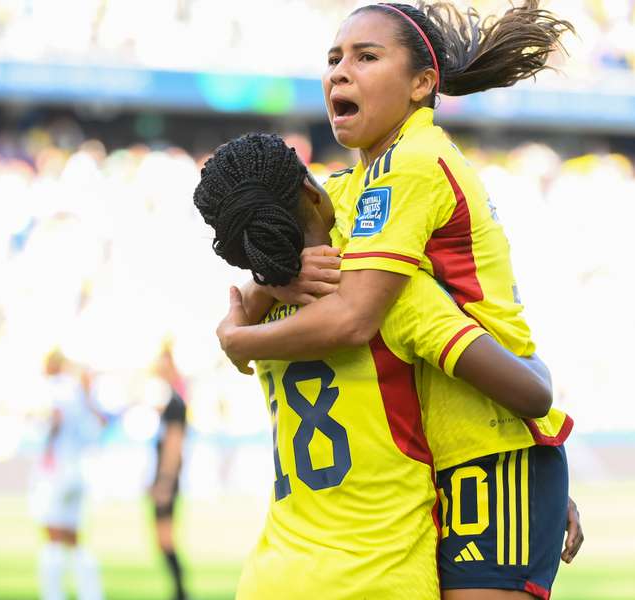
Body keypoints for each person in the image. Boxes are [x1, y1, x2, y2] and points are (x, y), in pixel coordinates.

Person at [215, 4, 579, 597]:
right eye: (333, 59)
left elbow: (356, 317)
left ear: (422, 84)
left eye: (365, 56)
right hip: (453, 451)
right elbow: (293, 227)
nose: (339, 71)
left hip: (495, 441)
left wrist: (238, 339)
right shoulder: (358, 182)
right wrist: (270, 280)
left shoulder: (411, 163)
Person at [34, 349, 106, 600]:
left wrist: (46, 440)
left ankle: (53, 595)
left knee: (52, 536)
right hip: (79, 469)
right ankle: (92, 593)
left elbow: (54, 421)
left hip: (57, 470)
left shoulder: (56, 390)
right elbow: (96, 427)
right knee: (74, 538)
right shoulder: (80, 392)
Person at [150, 342, 190, 600]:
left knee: (165, 539)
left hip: (167, 479)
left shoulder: (175, 404)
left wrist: (164, 482)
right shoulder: (170, 402)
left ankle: (180, 594)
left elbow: (173, 446)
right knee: (163, 539)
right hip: (166, 478)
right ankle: (179, 593)